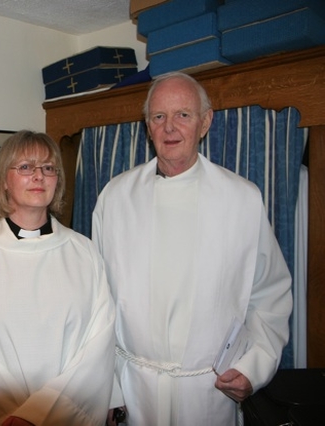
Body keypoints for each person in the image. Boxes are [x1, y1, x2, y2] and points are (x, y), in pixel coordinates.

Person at [92, 71, 293, 425]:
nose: (170, 127)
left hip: (208, 393)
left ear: (205, 122)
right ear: (147, 125)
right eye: (159, 117)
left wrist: (253, 367)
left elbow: (270, 297)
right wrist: (107, 389)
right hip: (133, 391)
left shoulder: (242, 200)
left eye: (183, 115)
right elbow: (96, 301)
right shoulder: (115, 197)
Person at [0, 130, 117, 425]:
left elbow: (97, 348)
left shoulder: (85, 254)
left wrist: (37, 416)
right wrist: (11, 419)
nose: (39, 176)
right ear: (3, 181)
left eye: (48, 168)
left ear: (57, 181)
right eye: (25, 167)